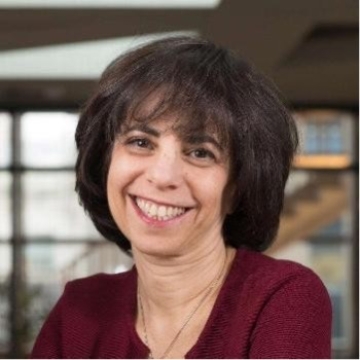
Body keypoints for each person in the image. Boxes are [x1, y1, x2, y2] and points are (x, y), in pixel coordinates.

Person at [31, 36, 332, 359]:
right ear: (106, 161)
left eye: (200, 152)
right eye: (141, 142)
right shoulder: (79, 310)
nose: (162, 176)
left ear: (237, 189)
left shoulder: (284, 299)